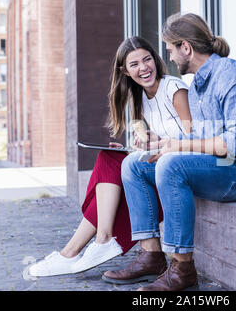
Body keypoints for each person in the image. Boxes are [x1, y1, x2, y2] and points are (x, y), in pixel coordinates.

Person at [102, 13, 236, 291]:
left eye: (170, 50)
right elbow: (200, 138)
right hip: (221, 165)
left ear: (186, 47)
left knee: (172, 165)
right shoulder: (197, 85)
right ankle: (151, 256)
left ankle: (182, 269)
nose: (168, 58)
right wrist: (163, 146)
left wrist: (178, 148)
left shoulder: (232, 75)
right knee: (135, 164)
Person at [29, 36, 192, 277]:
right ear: (124, 71)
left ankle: (82, 247)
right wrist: (147, 143)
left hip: (181, 165)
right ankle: (85, 245)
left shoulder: (174, 89)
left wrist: (158, 147)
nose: (143, 67)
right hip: (162, 160)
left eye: (147, 59)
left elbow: (192, 137)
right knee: (109, 158)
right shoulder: (143, 99)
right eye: (134, 64)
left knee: (118, 172)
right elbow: (163, 138)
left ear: (156, 60)